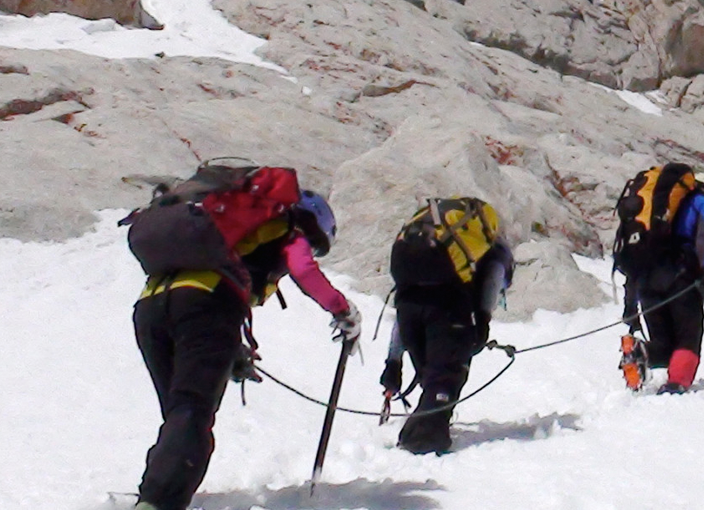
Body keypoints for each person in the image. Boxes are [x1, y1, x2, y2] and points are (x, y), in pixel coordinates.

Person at [131, 171, 359, 510]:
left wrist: (232, 348)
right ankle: (157, 501)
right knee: (192, 411)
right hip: (206, 304)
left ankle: (158, 489)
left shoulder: (221, 231)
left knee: (181, 412)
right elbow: (304, 269)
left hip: (150, 306)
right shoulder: (287, 228)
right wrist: (342, 310)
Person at [379, 198, 514, 455]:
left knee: (433, 377)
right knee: (446, 377)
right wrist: (482, 321)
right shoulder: (494, 252)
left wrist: (393, 362)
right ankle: (424, 443)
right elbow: (494, 278)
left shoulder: (429, 253)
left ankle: (415, 437)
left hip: (408, 308)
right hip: (447, 308)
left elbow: (401, 313)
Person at [615, 165, 704, 393]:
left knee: (665, 344)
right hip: (680, 279)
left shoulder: (659, 218)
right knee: (687, 338)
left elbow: (639, 259)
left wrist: (630, 307)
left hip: (647, 281)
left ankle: (638, 350)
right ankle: (676, 385)